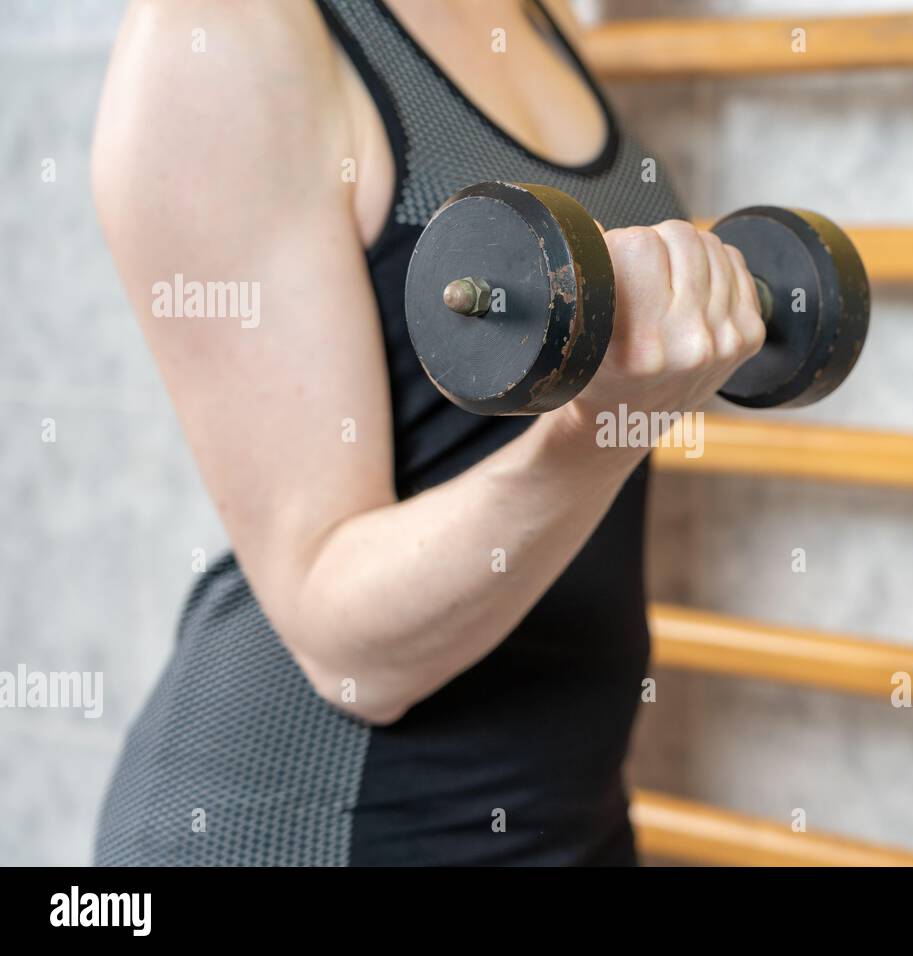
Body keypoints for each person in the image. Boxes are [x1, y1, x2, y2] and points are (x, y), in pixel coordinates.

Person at [91, 0, 764, 865]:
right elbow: (341, 647)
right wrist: (606, 423)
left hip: (558, 811)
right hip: (320, 823)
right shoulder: (224, 30)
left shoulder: (535, 13)